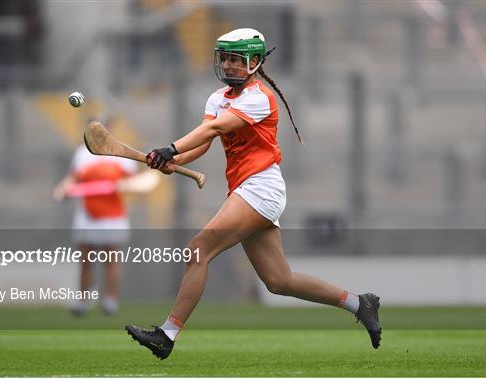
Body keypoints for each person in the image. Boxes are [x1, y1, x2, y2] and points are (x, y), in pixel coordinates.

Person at [124, 28, 381, 359]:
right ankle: (359, 303)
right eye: (225, 59)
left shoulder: (260, 98)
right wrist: (171, 160)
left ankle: (167, 334)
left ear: (255, 61)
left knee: (198, 249)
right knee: (279, 281)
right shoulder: (217, 98)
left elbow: (214, 128)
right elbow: (203, 143)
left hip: (261, 187)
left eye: (236, 59)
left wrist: (170, 148)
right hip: (246, 190)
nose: (228, 65)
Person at [53, 119, 137, 315]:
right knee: (86, 259)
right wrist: (64, 188)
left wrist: (119, 186)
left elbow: (135, 182)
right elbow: (73, 178)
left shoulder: (123, 154)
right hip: (87, 213)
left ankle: (110, 301)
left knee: (112, 259)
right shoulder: (83, 153)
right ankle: (83, 301)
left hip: (113, 215)